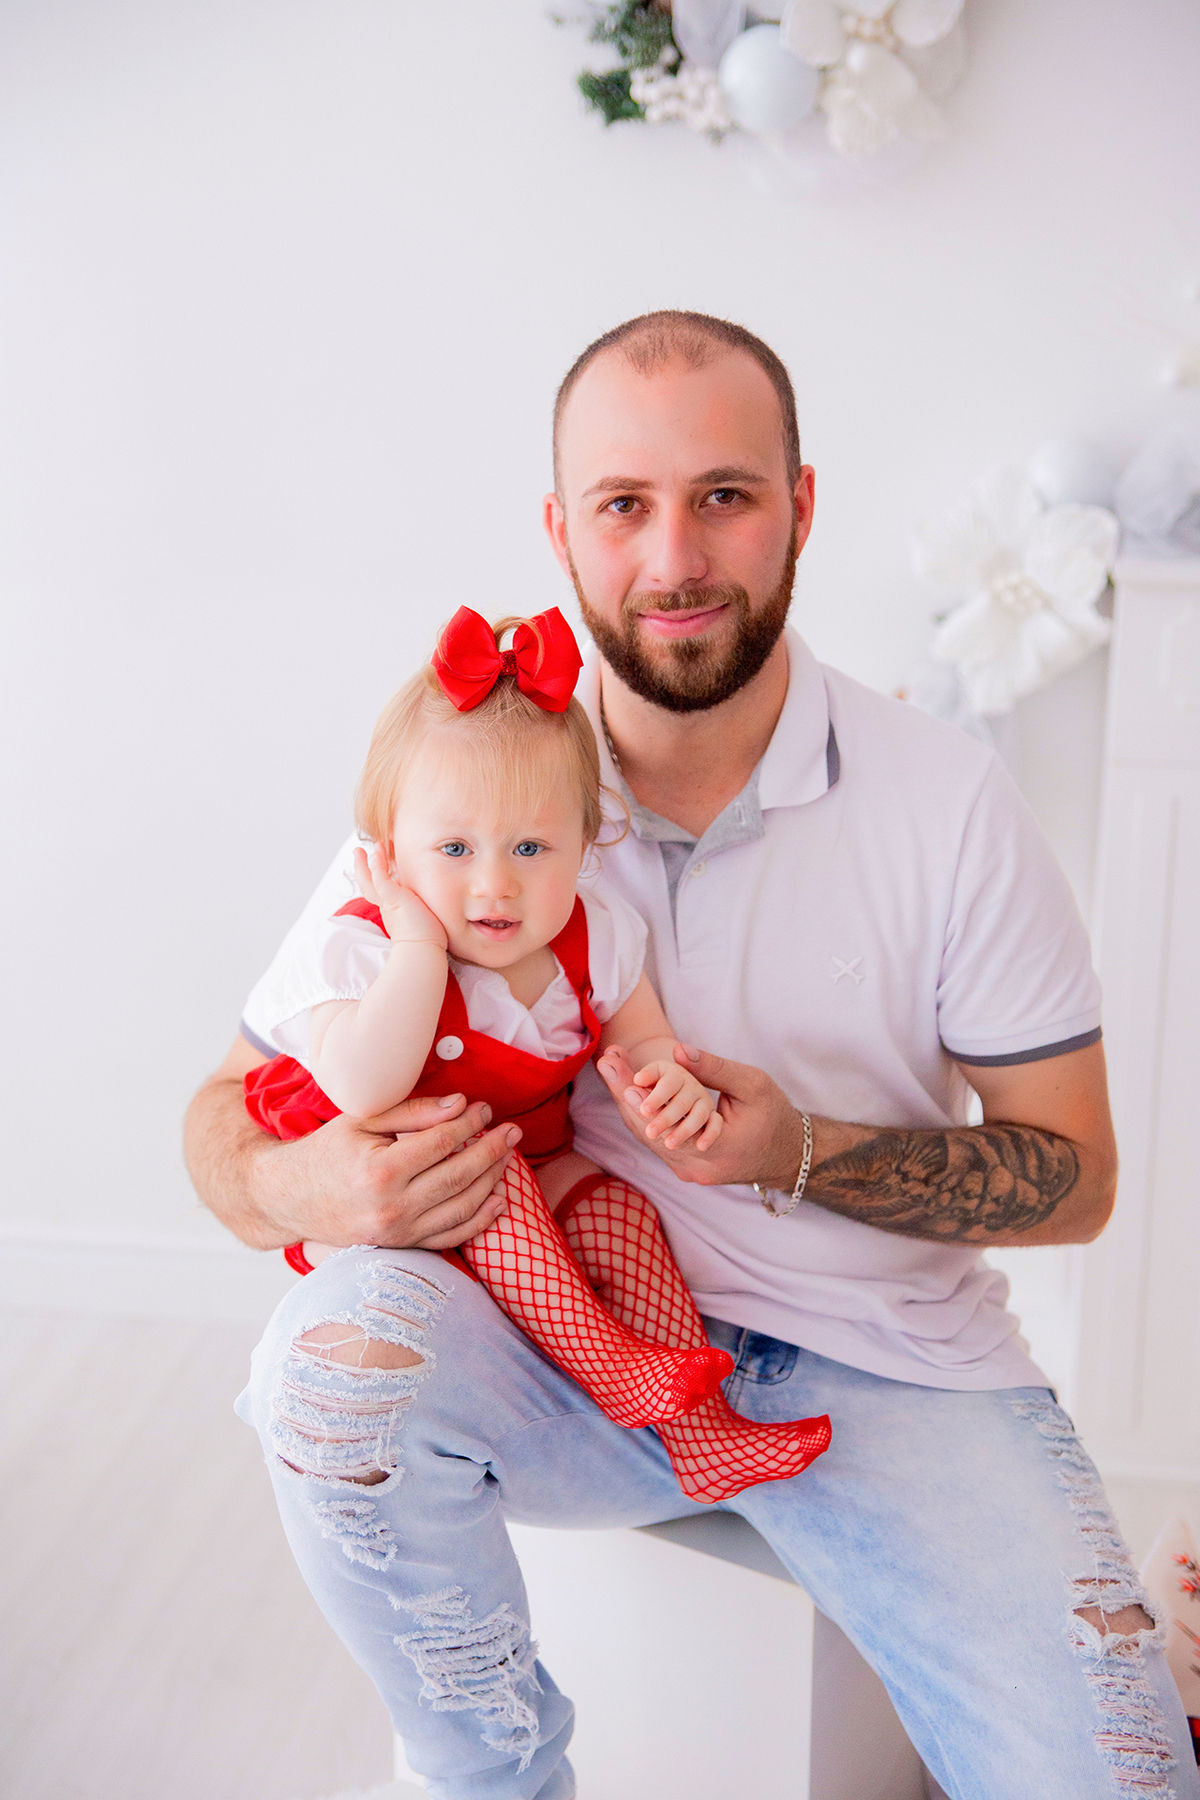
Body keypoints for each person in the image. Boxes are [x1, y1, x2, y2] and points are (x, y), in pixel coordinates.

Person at [186, 311, 1197, 1799]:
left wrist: (800, 1152)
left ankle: (1144, 1681)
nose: (675, 559)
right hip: (553, 1345)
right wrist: (312, 1190)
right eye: (623, 505)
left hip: (890, 1375)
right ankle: (493, 1779)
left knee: (1116, 1778)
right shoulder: (464, 796)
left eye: (724, 495)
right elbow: (221, 1128)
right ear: (560, 530)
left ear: (800, 504)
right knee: (329, 1375)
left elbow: (1078, 1175)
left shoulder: (950, 804)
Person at [240, 601, 830, 1500]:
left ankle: (706, 1438)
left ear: (588, 844)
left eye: (531, 846)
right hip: (409, 1195)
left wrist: (666, 1085)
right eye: (452, 848)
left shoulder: (597, 937)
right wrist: (415, 944)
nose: (494, 883)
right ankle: (612, 1366)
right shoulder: (362, 947)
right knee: (497, 1175)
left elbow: (646, 1041)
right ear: (388, 854)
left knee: (620, 1213)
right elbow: (363, 1086)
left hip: (528, 1160)